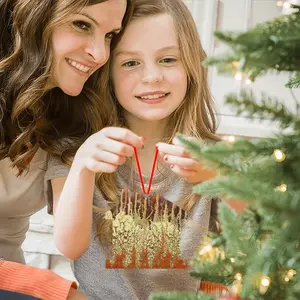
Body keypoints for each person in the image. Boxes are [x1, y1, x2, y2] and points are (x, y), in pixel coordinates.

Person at [46, 0, 221, 299]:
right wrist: (83, 168)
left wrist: (220, 179)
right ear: (108, 75)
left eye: (168, 59)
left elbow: (258, 232)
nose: (151, 76)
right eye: (130, 63)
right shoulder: (76, 149)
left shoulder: (211, 155)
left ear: (191, 65)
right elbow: (69, 246)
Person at [0, 0, 132, 298]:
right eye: (82, 25)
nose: (100, 54)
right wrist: (55, 291)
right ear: (32, 14)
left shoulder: (70, 114)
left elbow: (75, 240)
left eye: (110, 35)